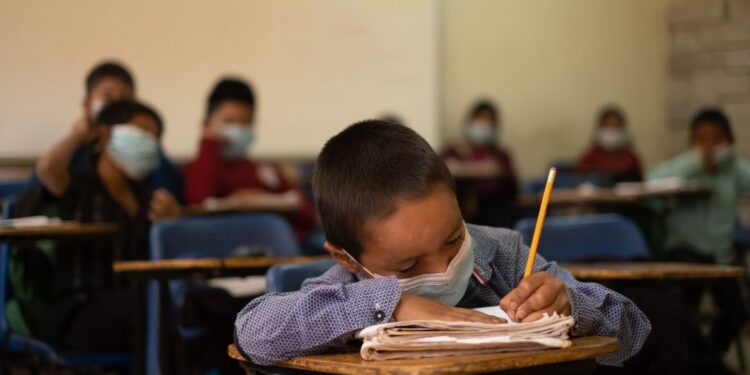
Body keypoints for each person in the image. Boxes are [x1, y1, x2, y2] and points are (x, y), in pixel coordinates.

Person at [234, 120, 651, 368]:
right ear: (348, 257)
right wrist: (391, 302)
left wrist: (571, 310)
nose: (444, 268)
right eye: (410, 266)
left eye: (453, 240)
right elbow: (253, 331)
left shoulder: (503, 253)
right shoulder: (345, 288)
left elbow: (633, 333)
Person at [7, 100, 181, 368]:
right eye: (141, 132)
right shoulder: (78, 187)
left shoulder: (149, 198)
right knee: (157, 309)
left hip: (137, 305)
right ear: (105, 133)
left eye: (155, 137)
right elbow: (47, 170)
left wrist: (171, 228)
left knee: (176, 306)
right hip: (81, 310)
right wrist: (80, 134)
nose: (149, 142)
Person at [648, 108, 750, 362]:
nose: (709, 147)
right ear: (692, 142)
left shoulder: (734, 170)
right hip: (685, 250)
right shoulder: (685, 165)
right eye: (701, 139)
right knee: (679, 314)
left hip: (720, 255)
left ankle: (709, 360)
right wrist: (695, 162)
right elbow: (652, 180)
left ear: (729, 140)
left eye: (716, 139)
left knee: (737, 312)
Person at [184, 77, 316, 240]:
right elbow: (199, 205)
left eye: (246, 123)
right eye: (229, 122)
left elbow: (308, 215)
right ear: (206, 124)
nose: (238, 130)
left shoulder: (268, 170)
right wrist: (208, 143)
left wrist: (258, 200)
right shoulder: (198, 169)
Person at [34, 61, 185, 202]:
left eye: (125, 100)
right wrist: (78, 136)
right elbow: (44, 176)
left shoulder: (141, 149)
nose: (116, 106)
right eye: (108, 98)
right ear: (87, 105)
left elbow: (169, 191)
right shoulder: (75, 155)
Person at [441, 100, 518, 228]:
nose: (484, 125)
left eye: (489, 121)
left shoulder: (500, 155)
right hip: (460, 217)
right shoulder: (454, 150)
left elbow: (512, 187)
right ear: (470, 122)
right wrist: (482, 170)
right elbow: (443, 170)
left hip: (495, 217)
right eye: (480, 119)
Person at [576, 107, 643, 183]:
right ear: (600, 127)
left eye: (616, 125)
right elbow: (579, 179)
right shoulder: (590, 156)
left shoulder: (631, 157)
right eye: (609, 125)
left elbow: (640, 181)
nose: (612, 129)